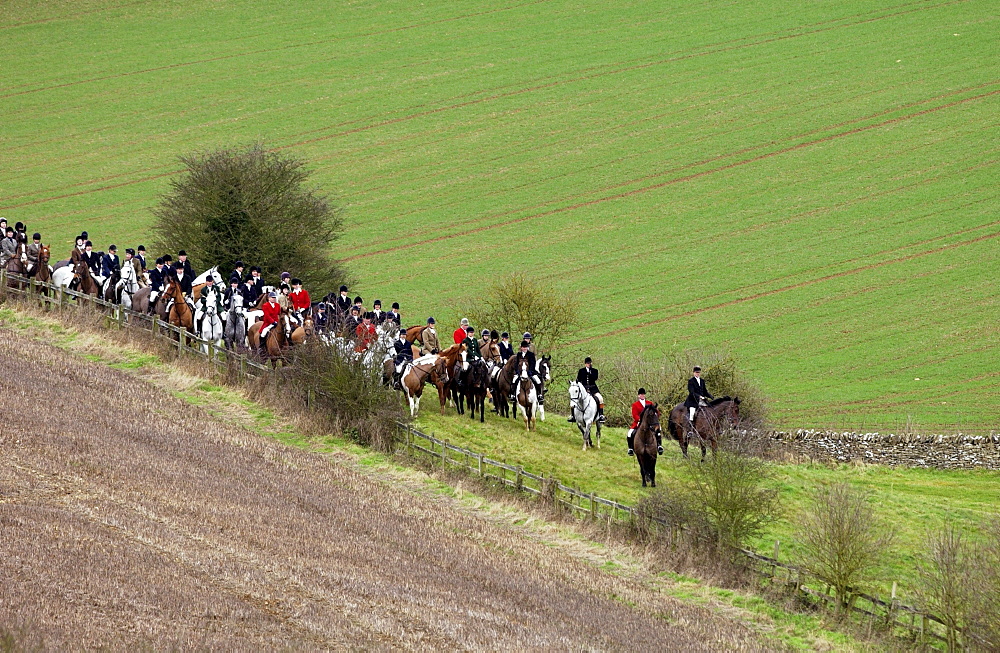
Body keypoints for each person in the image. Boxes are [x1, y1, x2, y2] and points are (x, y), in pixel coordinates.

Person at [570, 357, 606, 423]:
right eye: (587, 363)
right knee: (574, 400)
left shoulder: (595, 371)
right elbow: (579, 379)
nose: (588, 364)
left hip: (593, 389)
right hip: (584, 389)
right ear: (585, 364)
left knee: (600, 399)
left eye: (589, 363)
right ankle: (572, 416)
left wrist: (590, 372)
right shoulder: (581, 371)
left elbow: (595, 378)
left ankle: (601, 415)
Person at [627, 388, 662, 456]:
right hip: (639, 422)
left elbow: (656, 412)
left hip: (650, 422)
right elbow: (634, 414)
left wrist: (655, 417)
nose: (642, 395)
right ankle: (630, 448)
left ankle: (659, 446)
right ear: (638, 396)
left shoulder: (650, 403)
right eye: (641, 394)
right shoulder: (635, 404)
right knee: (629, 433)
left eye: (643, 394)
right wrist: (640, 420)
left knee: (658, 430)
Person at [258, 292, 281, 357]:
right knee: (263, 333)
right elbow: (267, 316)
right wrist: (273, 322)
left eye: (274, 297)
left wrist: (277, 321)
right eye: (272, 297)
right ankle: (261, 347)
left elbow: (279, 314)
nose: (274, 299)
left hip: (277, 322)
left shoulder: (277, 305)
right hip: (268, 323)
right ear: (269, 298)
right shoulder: (265, 305)